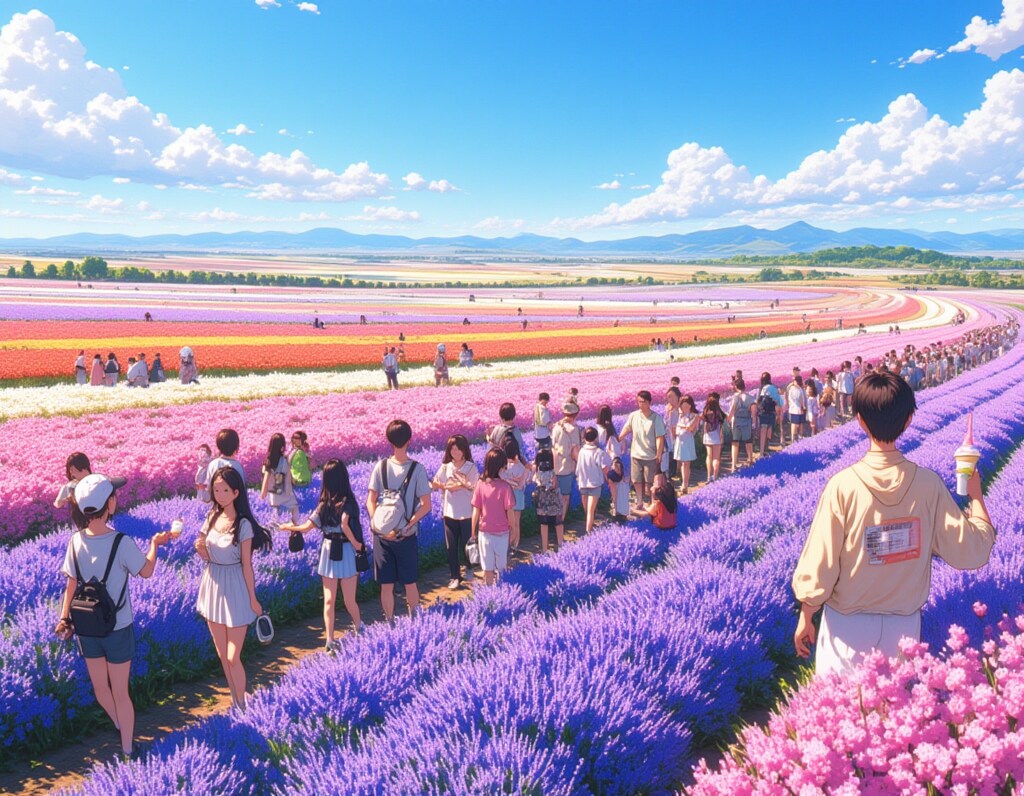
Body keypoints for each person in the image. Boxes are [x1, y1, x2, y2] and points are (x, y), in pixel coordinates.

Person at [792, 371, 996, 677]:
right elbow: (971, 552)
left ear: (859, 420)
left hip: (847, 629)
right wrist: (976, 499)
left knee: (844, 715)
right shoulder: (927, 485)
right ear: (908, 420)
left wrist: (807, 613)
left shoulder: (843, 486)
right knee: (897, 719)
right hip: (904, 630)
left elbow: (821, 561)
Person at [56, 475, 173, 759]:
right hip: (118, 626)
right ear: (110, 503)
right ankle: (128, 747)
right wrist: (155, 545)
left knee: (101, 688)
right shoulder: (121, 542)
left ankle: (123, 728)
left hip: (86, 626)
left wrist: (64, 618)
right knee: (121, 693)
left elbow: (70, 584)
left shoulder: (75, 541)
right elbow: (146, 572)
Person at [194, 467, 272, 710]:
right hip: (213, 583)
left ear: (236, 492)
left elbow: (247, 565)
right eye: (216, 489)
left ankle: (242, 703)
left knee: (232, 656)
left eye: (224, 490)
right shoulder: (211, 517)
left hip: (235, 586)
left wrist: (253, 598)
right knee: (222, 655)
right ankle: (236, 700)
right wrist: (201, 550)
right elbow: (206, 553)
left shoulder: (244, 524)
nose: (219, 494)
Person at [276, 459, 366, 650]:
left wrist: (286, 527)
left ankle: (331, 639)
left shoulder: (326, 504)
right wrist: (357, 544)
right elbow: (343, 525)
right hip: (346, 550)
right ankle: (355, 629)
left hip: (330, 549)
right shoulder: (346, 502)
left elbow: (306, 528)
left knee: (329, 600)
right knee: (348, 599)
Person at [367, 419, 432, 621]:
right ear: (409, 439)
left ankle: (389, 621)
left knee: (386, 585)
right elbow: (426, 505)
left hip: (382, 536)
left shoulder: (381, 466)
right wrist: (407, 525)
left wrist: (379, 525)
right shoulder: (417, 469)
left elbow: (370, 500)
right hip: (406, 535)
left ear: (389, 440)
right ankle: (414, 620)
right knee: (410, 582)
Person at [431, 435, 480, 590]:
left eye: (458, 448)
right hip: (449, 512)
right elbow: (434, 483)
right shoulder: (446, 467)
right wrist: (445, 487)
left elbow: (476, 487)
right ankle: (454, 576)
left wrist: (463, 484)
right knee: (451, 547)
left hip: (466, 513)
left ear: (464, 450)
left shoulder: (470, 467)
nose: (455, 452)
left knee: (467, 545)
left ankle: (470, 569)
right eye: (452, 449)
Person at [470, 448, 515, 586]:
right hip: (502, 532)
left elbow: (476, 511)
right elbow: (510, 513)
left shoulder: (480, 484)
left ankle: (488, 593)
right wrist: (513, 530)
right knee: (501, 568)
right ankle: (502, 595)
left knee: (487, 568)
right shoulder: (505, 487)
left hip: (484, 532)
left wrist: (473, 531)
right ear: (501, 467)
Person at [620, 390, 666, 504]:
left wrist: (659, 455)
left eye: (643, 402)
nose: (640, 404)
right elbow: (628, 427)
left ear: (649, 402)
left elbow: (660, 438)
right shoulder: (634, 415)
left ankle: (650, 502)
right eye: (639, 402)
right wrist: (619, 437)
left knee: (649, 481)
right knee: (636, 479)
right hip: (636, 453)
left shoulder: (656, 418)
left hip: (650, 455)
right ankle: (639, 501)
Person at [550, 401, 582, 522]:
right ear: (576, 414)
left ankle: (552, 519)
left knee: (554, 495)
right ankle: (560, 521)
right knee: (565, 497)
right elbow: (575, 451)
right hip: (567, 466)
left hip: (555, 464)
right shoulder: (573, 430)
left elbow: (553, 445)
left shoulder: (556, 427)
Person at [576, 426, 611, 533]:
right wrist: (608, 480)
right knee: (591, 512)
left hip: (583, 483)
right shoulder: (599, 452)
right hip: (595, 485)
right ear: (596, 438)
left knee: (587, 511)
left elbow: (578, 467)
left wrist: (578, 481)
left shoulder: (582, 451)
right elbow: (605, 468)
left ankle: (589, 528)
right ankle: (589, 533)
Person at [596, 404, 629, 518]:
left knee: (607, 484)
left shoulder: (600, 429)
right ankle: (615, 506)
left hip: (604, 460)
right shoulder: (611, 429)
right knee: (613, 485)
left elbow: (600, 445)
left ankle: (611, 506)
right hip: (614, 460)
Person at [260, 433, 299, 525]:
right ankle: (294, 531)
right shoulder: (284, 462)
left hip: (272, 497)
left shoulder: (268, 462)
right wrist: (289, 494)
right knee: (295, 508)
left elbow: (265, 481)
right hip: (283, 495)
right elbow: (288, 482)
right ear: (282, 447)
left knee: (274, 519)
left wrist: (262, 497)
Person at [200, 429, 246, 502]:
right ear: (236, 447)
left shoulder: (213, 464)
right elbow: (242, 490)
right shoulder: (237, 466)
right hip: (233, 507)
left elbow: (209, 487)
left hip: (216, 504)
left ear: (218, 446)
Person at [501, 437, 529, 552]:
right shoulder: (522, 465)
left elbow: (502, 480)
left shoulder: (505, 466)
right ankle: (515, 545)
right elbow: (522, 484)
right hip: (518, 495)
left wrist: (510, 482)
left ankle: (508, 544)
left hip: (508, 496)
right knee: (516, 522)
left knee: (508, 522)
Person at [728, 378, 756, 472]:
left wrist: (728, 419)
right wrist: (754, 423)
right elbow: (753, 411)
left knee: (735, 443)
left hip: (737, 421)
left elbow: (732, 410)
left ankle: (733, 464)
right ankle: (750, 460)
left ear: (736, 387)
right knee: (748, 441)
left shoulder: (735, 397)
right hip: (747, 421)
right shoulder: (750, 398)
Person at [673, 396, 699, 495]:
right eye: (682, 406)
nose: (684, 408)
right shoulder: (679, 415)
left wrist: (681, 426)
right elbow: (674, 428)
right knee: (682, 463)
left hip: (688, 441)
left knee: (686, 463)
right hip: (680, 440)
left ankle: (685, 484)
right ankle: (683, 482)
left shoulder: (695, 416)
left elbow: (690, 428)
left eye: (686, 405)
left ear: (690, 405)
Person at [701, 392, 726, 482]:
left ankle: (708, 476)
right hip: (716, 436)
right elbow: (722, 422)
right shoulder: (718, 412)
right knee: (716, 458)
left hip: (707, 435)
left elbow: (702, 421)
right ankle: (715, 476)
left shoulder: (705, 411)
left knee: (709, 456)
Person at [663, 387, 681, 478]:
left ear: (678, 396)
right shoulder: (668, 409)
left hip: (679, 436)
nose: (670, 399)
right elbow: (666, 423)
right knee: (670, 455)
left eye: (672, 397)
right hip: (669, 436)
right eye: (668, 397)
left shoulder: (681, 409)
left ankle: (678, 473)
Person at [786, 373, 808, 444]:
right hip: (798, 409)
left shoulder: (791, 389)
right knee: (798, 423)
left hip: (793, 409)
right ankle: (799, 436)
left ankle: (793, 437)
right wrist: (803, 406)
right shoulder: (800, 389)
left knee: (794, 423)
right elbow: (802, 400)